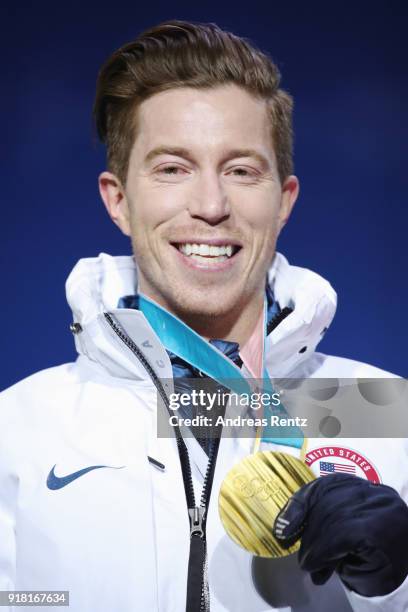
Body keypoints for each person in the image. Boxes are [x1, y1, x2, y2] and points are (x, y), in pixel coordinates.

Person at [0, 19, 407, 612]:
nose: (211, 206)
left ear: (283, 200)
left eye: (241, 170)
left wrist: (395, 586)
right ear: (119, 200)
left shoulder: (388, 409)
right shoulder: (17, 428)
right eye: (172, 168)